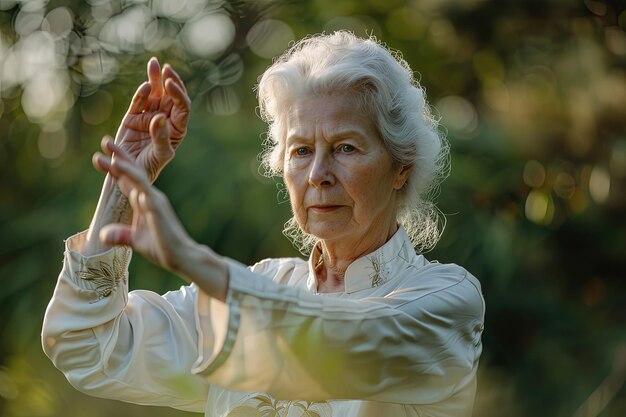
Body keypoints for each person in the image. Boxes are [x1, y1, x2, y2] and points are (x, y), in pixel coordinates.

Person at [42, 31, 485, 417]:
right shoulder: (264, 282)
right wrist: (123, 186)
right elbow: (87, 347)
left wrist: (194, 260)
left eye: (346, 147)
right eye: (301, 151)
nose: (318, 175)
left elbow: (339, 343)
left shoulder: (446, 300)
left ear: (401, 166)